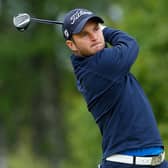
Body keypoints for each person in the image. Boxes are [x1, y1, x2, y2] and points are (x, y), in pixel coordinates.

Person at [62, 8, 168, 168]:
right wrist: (106, 31)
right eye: (84, 34)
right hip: (126, 163)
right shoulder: (98, 67)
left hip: (155, 162)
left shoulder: (93, 64)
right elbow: (130, 44)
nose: (94, 37)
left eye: (96, 29)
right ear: (71, 45)